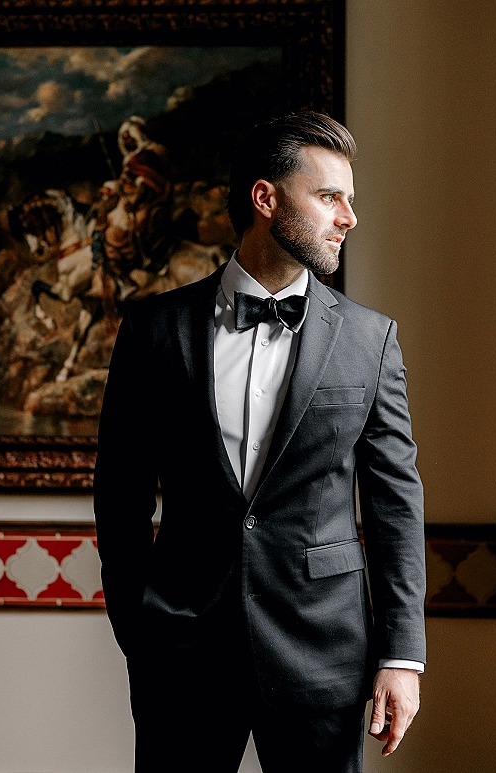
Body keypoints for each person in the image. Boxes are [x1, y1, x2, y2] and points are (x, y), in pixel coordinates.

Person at [94, 111, 426, 773]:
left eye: (349, 199)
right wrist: (141, 629)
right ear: (266, 198)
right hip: (181, 651)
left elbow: (394, 508)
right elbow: (120, 493)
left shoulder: (371, 340)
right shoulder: (154, 330)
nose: (348, 217)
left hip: (323, 652)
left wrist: (401, 656)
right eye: (330, 196)